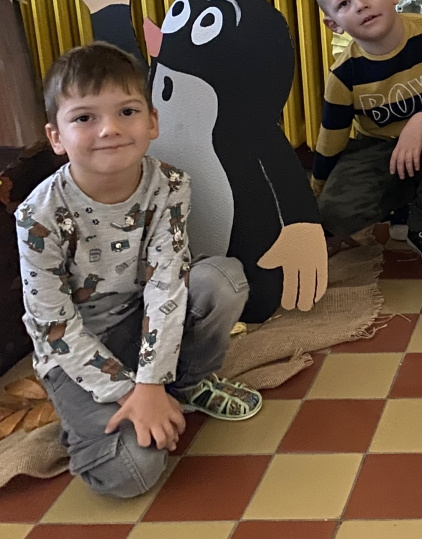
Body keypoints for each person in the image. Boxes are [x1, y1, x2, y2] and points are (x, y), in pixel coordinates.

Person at [17, 43, 260, 499]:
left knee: (221, 281)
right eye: (84, 118)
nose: (109, 129)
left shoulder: (169, 184)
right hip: (74, 348)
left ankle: (185, 385)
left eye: (126, 112)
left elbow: (167, 284)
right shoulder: (38, 215)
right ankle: (88, 425)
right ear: (56, 136)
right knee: (134, 472)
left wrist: (151, 382)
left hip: (142, 319)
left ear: (152, 122)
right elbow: (54, 327)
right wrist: (130, 393)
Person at [311, 0, 422, 257]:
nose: (361, 5)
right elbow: (331, 142)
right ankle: (402, 202)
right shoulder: (343, 75)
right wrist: (317, 200)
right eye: (344, 4)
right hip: (381, 149)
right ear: (333, 24)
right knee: (333, 213)